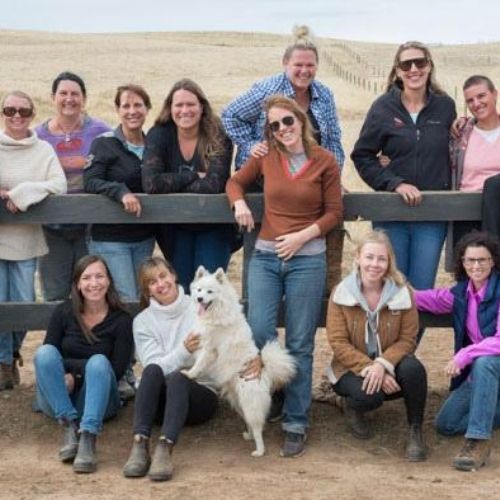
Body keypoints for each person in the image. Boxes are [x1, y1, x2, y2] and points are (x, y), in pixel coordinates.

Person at [226, 94, 343, 457]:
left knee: (300, 342)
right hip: (264, 257)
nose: (282, 130)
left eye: (287, 122)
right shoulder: (265, 157)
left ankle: (296, 419)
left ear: (300, 120)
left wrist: (303, 235)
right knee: (260, 331)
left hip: (307, 260)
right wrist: (240, 202)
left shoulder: (325, 161)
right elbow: (234, 183)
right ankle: (270, 399)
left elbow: (334, 212)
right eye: (274, 126)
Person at [222, 25, 345, 291]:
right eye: (298, 64)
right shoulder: (267, 89)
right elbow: (229, 115)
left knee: (317, 241)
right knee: (262, 245)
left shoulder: (324, 95)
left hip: (310, 177)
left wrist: (333, 177)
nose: (304, 71)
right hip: (263, 176)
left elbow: (333, 139)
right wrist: (251, 144)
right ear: (285, 64)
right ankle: (260, 297)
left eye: (310, 65)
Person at [351, 41, 456, 291]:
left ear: (429, 66)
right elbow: (362, 155)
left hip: (431, 213)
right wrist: (394, 183)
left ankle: (410, 333)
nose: (413, 69)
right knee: (389, 286)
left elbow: (456, 147)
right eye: (406, 64)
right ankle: (384, 332)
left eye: (420, 62)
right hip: (391, 213)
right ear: (397, 71)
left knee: (420, 290)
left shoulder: (446, 106)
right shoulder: (383, 108)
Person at [325, 230, 427, 461]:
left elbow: (408, 339)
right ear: (358, 257)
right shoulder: (340, 293)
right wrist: (371, 368)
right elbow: (338, 343)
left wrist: (383, 365)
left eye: (382, 259)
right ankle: (349, 405)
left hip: (389, 364)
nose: (375, 264)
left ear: (389, 262)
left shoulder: (403, 293)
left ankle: (415, 431)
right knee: (369, 395)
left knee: (414, 370)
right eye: (369, 257)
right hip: (350, 368)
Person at [33, 255, 133, 473]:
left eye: (99, 276)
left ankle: (88, 436)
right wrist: (67, 376)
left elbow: (114, 372)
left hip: (99, 399)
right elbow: (50, 359)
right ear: (77, 284)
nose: (94, 283)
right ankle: (69, 426)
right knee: (44, 353)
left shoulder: (122, 320)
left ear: (109, 281)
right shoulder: (63, 312)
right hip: (60, 398)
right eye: (86, 278)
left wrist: (75, 375)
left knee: (99, 363)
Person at [122, 257, 218, 481]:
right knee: (153, 371)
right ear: (147, 291)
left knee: (177, 377)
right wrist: (184, 350)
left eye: (163, 276)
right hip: (159, 400)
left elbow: (209, 360)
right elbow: (153, 366)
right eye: (152, 282)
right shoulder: (142, 321)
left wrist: (182, 358)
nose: (161, 284)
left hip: (200, 395)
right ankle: (140, 443)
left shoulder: (200, 307)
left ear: (174, 276)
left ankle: (165, 448)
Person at [414, 231, 500, 471]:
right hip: (481, 377)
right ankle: (485, 411)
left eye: (482, 260)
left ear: (493, 261)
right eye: (470, 260)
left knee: (484, 362)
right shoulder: (462, 293)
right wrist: (392, 293)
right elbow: (430, 298)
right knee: (447, 424)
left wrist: (465, 354)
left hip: (490, 366)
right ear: (462, 262)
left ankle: (477, 442)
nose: (476, 265)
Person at [0, 91, 67, 391]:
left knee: (25, 305)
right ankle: (3, 363)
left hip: (26, 242)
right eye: (10, 110)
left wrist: (21, 193)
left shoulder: (43, 150)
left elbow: (59, 184)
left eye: (23, 111)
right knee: (0, 303)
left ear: (32, 114)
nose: (16, 116)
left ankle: (13, 351)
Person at [142, 78, 233, 291]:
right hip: (174, 227)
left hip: (214, 226)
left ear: (202, 107)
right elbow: (151, 184)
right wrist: (193, 176)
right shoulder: (159, 134)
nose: (185, 110)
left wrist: (171, 181)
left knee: (208, 290)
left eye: (190, 104)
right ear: (170, 108)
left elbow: (214, 185)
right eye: (179, 105)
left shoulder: (217, 135)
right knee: (181, 289)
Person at [36, 71, 110, 301]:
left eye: (75, 94)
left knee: (92, 292)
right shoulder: (37, 136)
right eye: (63, 93)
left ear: (84, 99)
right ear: (53, 98)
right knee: (55, 295)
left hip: (90, 227)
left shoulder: (101, 132)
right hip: (51, 229)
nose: (69, 99)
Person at [84, 84, 155, 300]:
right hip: (110, 237)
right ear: (118, 110)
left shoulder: (154, 145)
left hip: (144, 236)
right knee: (127, 298)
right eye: (126, 106)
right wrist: (120, 191)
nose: (132, 111)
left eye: (138, 105)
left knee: (143, 297)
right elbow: (90, 181)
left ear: (147, 109)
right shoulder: (104, 144)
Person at [448, 76, 500, 250]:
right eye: (470, 100)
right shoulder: (461, 133)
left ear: (495, 94)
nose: (476, 103)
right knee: (470, 271)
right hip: (467, 212)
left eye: (481, 96)